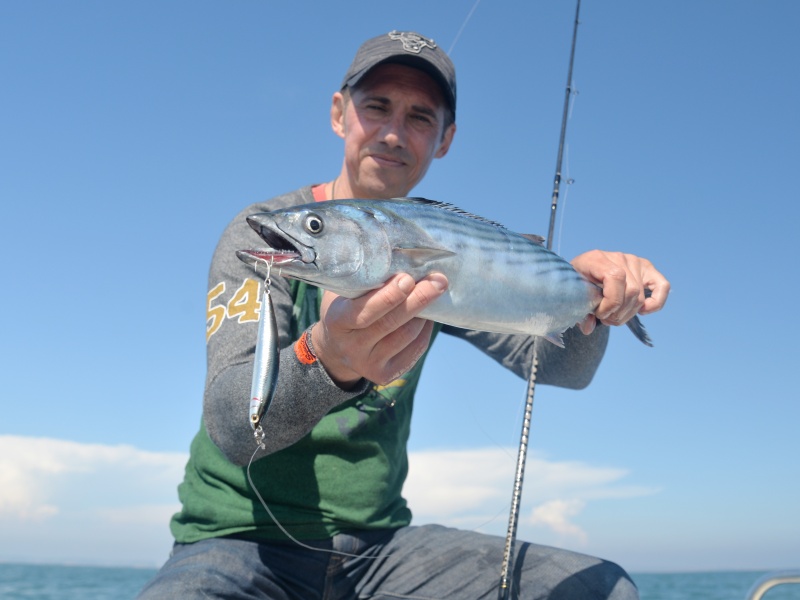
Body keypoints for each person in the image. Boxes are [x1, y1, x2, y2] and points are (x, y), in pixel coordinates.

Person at [138, 30, 670, 600]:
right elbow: (233, 428)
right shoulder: (266, 234)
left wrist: (596, 298)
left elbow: (564, 368)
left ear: (446, 140)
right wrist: (329, 360)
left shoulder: (442, 261)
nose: (393, 133)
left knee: (602, 590)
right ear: (339, 113)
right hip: (238, 543)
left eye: (421, 117)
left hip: (380, 551)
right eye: (376, 107)